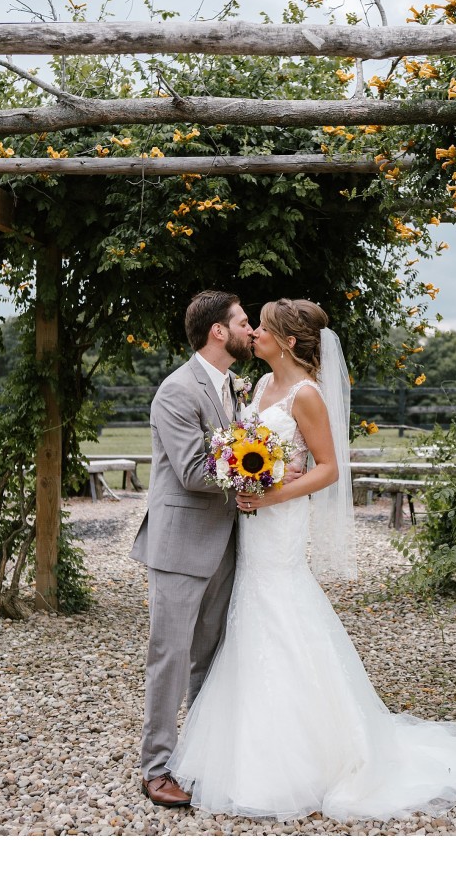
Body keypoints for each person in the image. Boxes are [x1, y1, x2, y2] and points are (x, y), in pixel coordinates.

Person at [166, 298, 456, 822]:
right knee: (250, 615)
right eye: (253, 326)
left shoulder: (307, 394)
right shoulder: (257, 387)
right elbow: (252, 451)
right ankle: (249, 746)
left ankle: (309, 758)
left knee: (281, 609)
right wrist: (254, 477)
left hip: (279, 523)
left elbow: (330, 469)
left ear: (288, 342)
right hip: (252, 524)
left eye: (263, 328)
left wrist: (272, 493)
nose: (254, 334)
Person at [129, 289, 254, 807]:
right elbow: (191, 471)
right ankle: (156, 768)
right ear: (218, 331)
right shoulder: (176, 391)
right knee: (171, 658)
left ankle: (200, 758)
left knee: (211, 655)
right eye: (243, 322)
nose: (251, 330)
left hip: (227, 541)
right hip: (181, 542)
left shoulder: (234, 388)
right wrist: (261, 474)